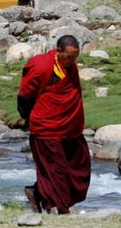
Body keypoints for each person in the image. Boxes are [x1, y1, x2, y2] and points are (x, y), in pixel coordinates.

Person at [18, 34, 90, 214]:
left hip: (70, 127)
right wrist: (27, 117)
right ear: (59, 51)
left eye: (75, 57)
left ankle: (36, 192)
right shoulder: (42, 66)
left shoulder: (70, 67)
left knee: (78, 166)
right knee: (55, 170)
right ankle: (58, 207)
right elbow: (25, 95)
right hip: (47, 127)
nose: (72, 61)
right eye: (69, 56)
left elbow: (73, 94)